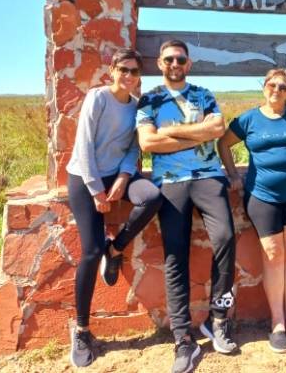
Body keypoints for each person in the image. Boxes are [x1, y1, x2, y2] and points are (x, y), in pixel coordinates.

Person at [136, 40, 237, 373]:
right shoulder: (150, 99)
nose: (175, 64)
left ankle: (218, 319)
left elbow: (217, 129)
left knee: (225, 239)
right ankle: (182, 338)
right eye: (169, 59)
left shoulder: (203, 95)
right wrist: (198, 133)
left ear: (188, 63)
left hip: (208, 177)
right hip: (170, 183)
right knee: (175, 256)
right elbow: (148, 141)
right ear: (160, 63)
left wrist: (173, 132)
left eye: (180, 59)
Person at [66, 48, 164, 368]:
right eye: (124, 69)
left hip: (117, 174)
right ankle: (82, 330)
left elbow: (133, 149)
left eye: (135, 71)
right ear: (112, 70)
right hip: (84, 177)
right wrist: (97, 190)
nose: (129, 76)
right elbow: (83, 147)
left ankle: (117, 247)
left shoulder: (136, 107)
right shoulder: (97, 98)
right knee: (91, 251)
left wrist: (123, 177)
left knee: (152, 196)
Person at [217, 69, 286, 354]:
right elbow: (223, 143)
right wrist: (232, 175)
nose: (277, 90)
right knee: (273, 254)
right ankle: (277, 324)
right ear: (264, 87)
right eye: (272, 85)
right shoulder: (248, 119)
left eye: (283, 87)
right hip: (262, 196)